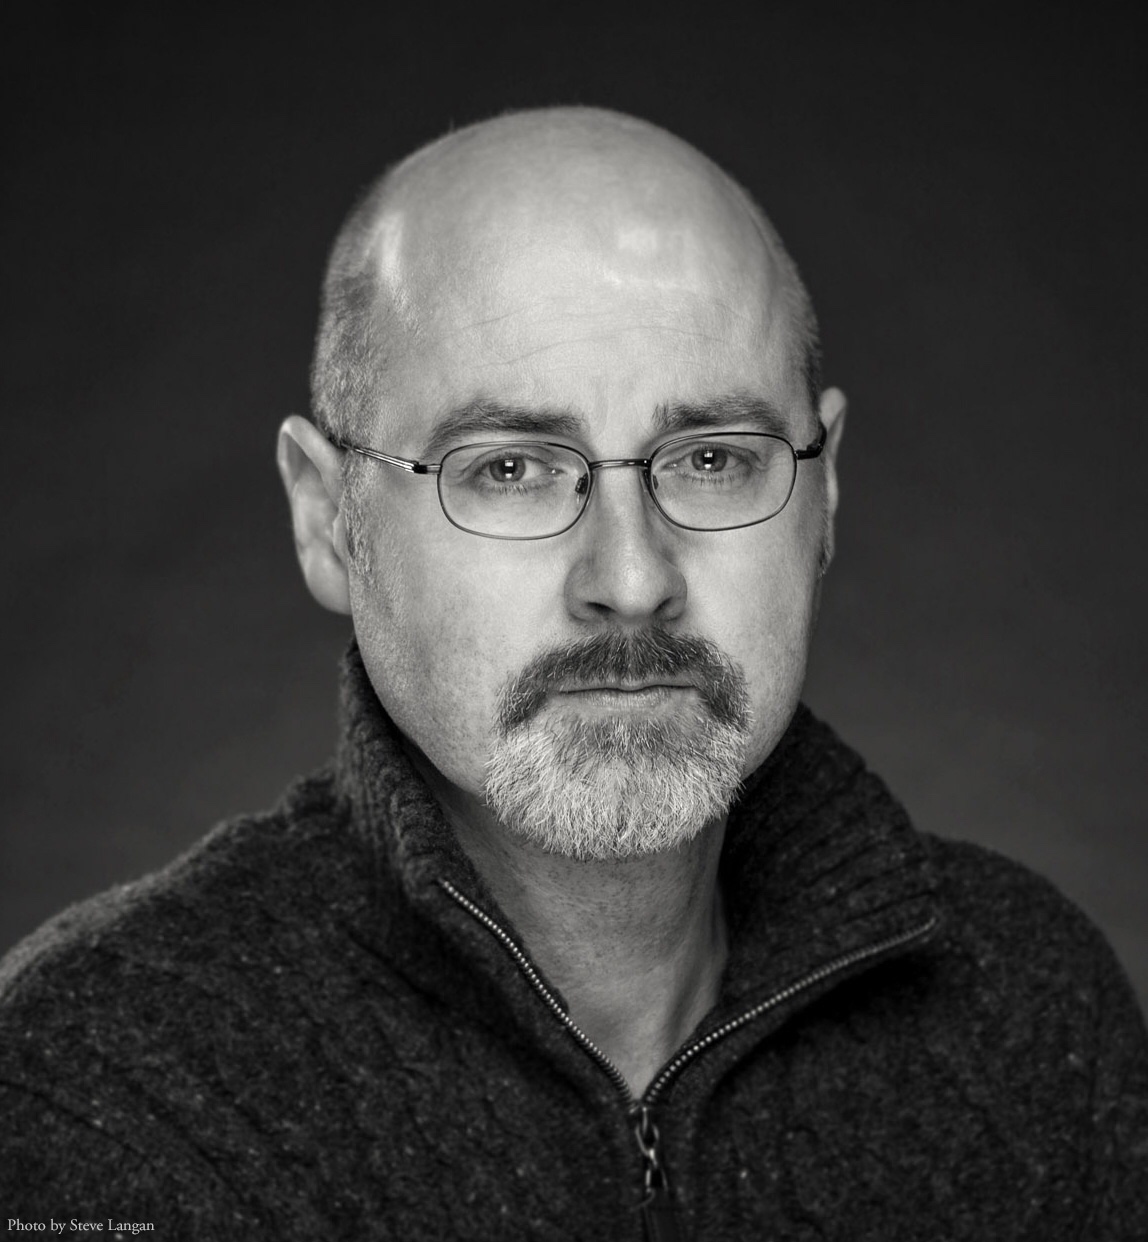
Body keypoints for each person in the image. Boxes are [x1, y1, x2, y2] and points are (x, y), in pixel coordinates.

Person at [1, 107, 1145, 1241]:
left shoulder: (1028, 1005)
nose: (631, 579)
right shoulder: (100, 1081)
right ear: (329, 521)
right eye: (508, 468)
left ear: (823, 492)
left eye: (712, 459)